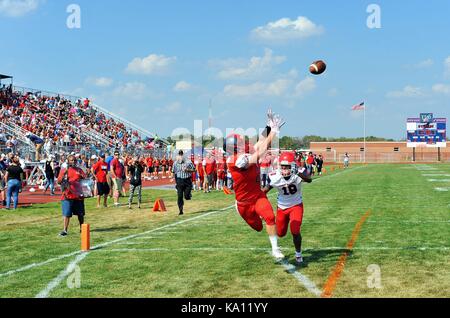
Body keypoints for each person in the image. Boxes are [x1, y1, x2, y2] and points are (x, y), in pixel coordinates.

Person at [226, 108, 286, 259]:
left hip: (257, 196)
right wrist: (274, 132)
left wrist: (268, 126)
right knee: (258, 228)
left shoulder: (244, 152)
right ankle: (252, 218)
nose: (244, 144)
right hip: (243, 203)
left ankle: (275, 249)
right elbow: (261, 151)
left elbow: (260, 142)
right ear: (234, 147)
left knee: (270, 218)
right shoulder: (234, 160)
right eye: (240, 143)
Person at [263, 152, 312, 264]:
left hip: (296, 205)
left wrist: (297, 173)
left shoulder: (298, 173)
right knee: (280, 233)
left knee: (295, 230)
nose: (284, 169)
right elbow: (264, 191)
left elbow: (309, 179)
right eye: (282, 166)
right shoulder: (274, 176)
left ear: (293, 166)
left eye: (287, 167)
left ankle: (298, 253)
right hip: (281, 207)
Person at [57, 155, 86, 237]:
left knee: (80, 214)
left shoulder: (79, 170)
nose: (73, 162)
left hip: (78, 195)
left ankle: (82, 228)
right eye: (71, 160)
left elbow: (85, 179)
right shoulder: (64, 170)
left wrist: (84, 176)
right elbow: (59, 181)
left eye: (74, 160)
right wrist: (63, 175)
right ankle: (65, 230)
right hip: (67, 195)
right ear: (68, 161)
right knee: (67, 214)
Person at [172, 150, 196, 215]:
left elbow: (194, 169)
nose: (180, 157)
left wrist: (188, 170)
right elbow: (173, 171)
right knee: (179, 196)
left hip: (187, 181)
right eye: (179, 155)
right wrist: (173, 179)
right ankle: (180, 210)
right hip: (179, 181)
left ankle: (188, 195)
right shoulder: (175, 163)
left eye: (181, 155)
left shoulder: (188, 162)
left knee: (186, 197)